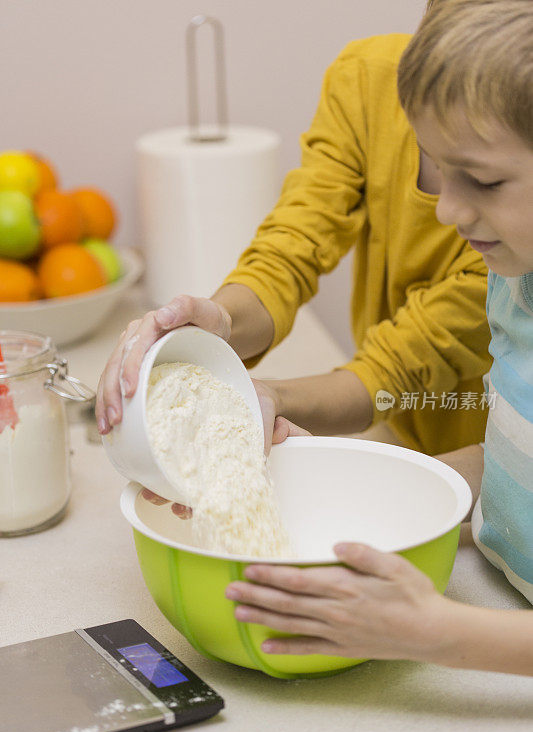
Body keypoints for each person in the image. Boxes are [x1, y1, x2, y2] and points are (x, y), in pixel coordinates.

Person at [223, 0, 533, 676]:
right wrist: (363, 486)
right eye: (434, 167)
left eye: (480, 179)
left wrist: (437, 635)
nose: (446, 210)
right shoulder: (514, 281)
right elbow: (518, 460)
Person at [96, 0, 491, 456]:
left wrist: (263, 398)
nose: (447, 210)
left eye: (483, 180)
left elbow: (397, 367)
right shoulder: (369, 80)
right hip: (408, 434)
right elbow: (295, 244)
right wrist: (216, 323)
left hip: (484, 456)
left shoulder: (511, 240)